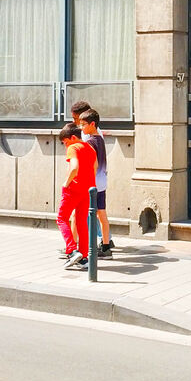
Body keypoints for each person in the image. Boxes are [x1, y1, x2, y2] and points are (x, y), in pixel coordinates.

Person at [58, 123, 97, 271]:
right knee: (82, 223)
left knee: (61, 218)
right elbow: (95, 168)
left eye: (66, 142)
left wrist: (66, 183)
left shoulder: (73, 148)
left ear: (73, 138)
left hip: (73, 188)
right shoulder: (90, 148)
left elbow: (74, 167)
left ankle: (72, 250)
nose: (65, 146)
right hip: (88, 190)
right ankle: (84, 257)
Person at [80, 109, 113, 258]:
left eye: (83, 124)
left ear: (92, 124)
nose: (81, 128)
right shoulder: (100, 138)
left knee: (87, 215)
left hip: (92, 185)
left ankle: (87, 247)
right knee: (102, 214)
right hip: (102, 183)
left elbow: (91, 165)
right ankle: (106, 246)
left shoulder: (90, 142)